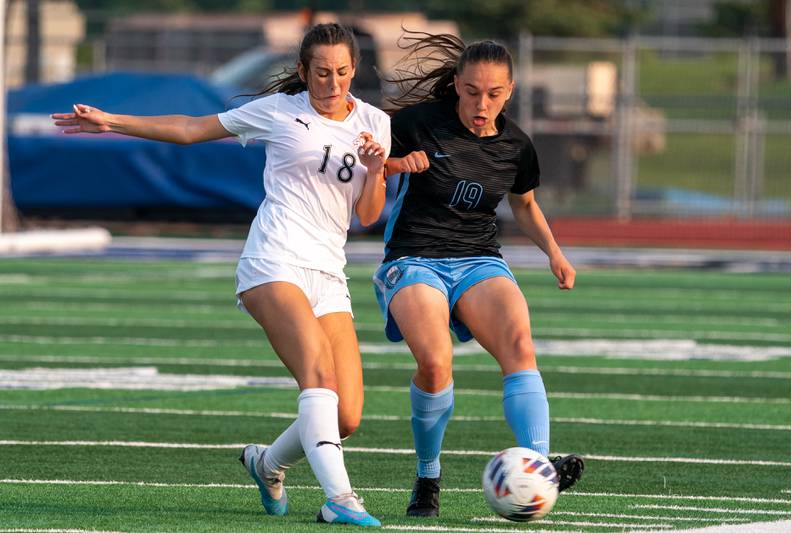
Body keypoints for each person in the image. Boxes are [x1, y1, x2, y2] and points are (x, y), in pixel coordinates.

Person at [53, 23, 388, 527]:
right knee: (317, 374)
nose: (333, 83)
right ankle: (341, 497)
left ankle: (266, 463)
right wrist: (113, 122)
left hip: (329, 272)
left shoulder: (375, 122)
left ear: (354, 71)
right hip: (272, 261)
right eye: (321, 72)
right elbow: (191, 129)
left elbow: (367, 215)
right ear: (303, 72)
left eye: (342, 72)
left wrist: (377, 168)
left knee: (347, 416)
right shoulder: (279, 111)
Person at [375, 32, 585, 518]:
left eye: (493, 94)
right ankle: (428, 476)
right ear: (456, 85)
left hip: (479, 259)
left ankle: (538, 463)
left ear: (509, 91)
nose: (481, 103)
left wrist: (555, 252)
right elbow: (362, 157)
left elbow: (525, 204)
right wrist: (393, 162)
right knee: (435, 364)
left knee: (520, 346)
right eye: (471, 92)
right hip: (414, 258)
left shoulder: (516, 146)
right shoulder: (416, 124)